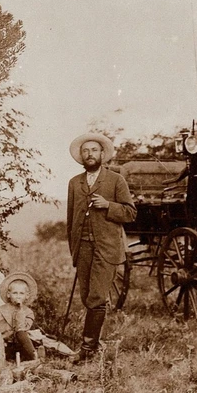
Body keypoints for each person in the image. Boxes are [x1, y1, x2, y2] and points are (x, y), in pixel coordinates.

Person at [66, 132, 137, 363]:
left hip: (106, 248)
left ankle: (87, 349)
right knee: (87, 297)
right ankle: (93, 345)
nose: (89, 154)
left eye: (94, 150)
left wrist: (108, 205)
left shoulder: (116, 180)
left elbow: (130, 213)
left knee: (96, 298)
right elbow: (71, 220)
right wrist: (74, 250)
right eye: (85, 151)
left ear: (102, 154)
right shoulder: (75, 183)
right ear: (81, 156)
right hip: (83, 248)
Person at [0, 273, 38, 362]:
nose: (18, 296)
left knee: (21, 334)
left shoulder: (28, 312)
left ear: (27, 296)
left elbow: (21, 329)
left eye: (21, 293)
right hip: (3, 344)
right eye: (15, 293)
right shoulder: (0, 310)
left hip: (20, 344)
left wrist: (20, 310)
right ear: (9, 294)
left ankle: (33, 358)